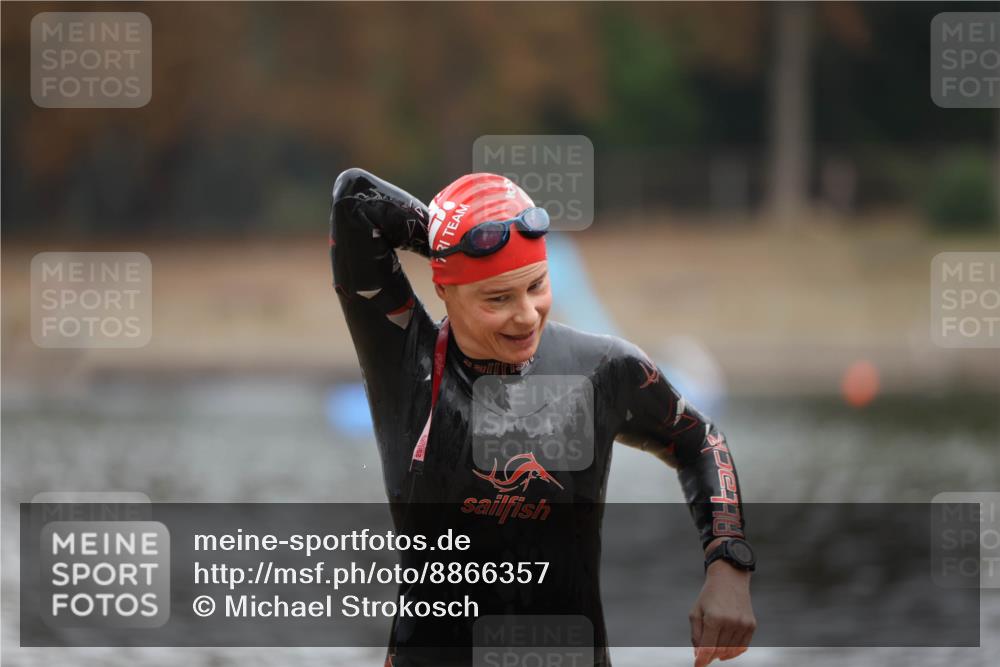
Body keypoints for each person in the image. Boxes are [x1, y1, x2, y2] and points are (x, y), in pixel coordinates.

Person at [329, 168, 756, 667]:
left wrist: (728, 563)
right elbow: (355, 201)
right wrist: (452, 236)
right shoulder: (407, 365)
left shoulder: (602, 370)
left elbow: (699, 441)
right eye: (498, 298)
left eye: (536, 285)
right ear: (445, 289)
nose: (527, 314)